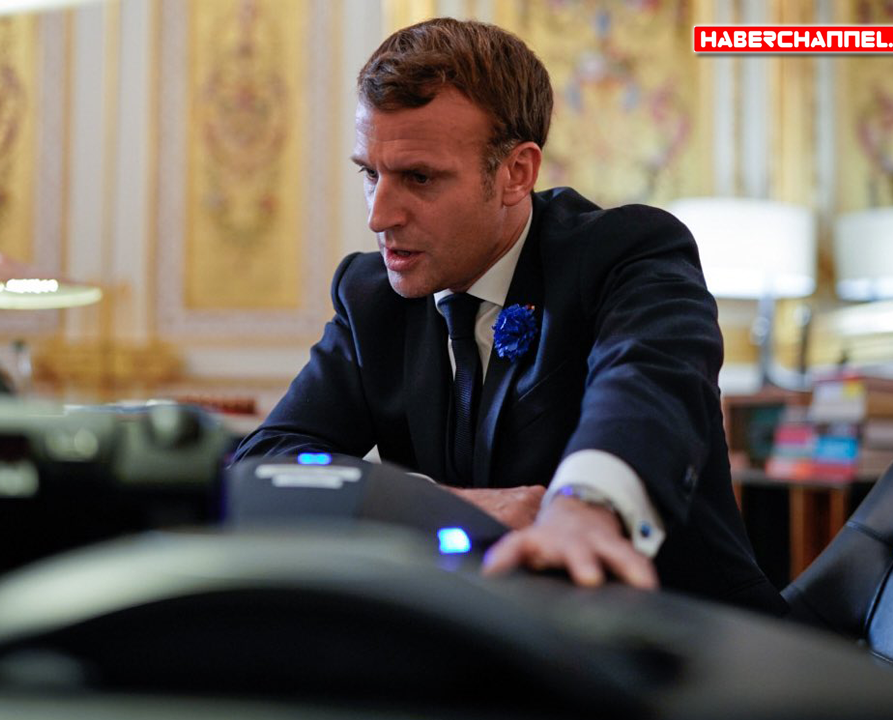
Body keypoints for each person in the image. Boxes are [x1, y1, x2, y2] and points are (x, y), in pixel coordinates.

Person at [234, 17, 786, 614]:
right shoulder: (371, 295)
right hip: (483, 636)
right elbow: (269, 461)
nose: (379, 216)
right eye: (371, 174)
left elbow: (647, 385)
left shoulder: (624, 252)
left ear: (515, 173)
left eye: (419, 177)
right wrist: (438, 505)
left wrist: (584, 507)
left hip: (682, 632)